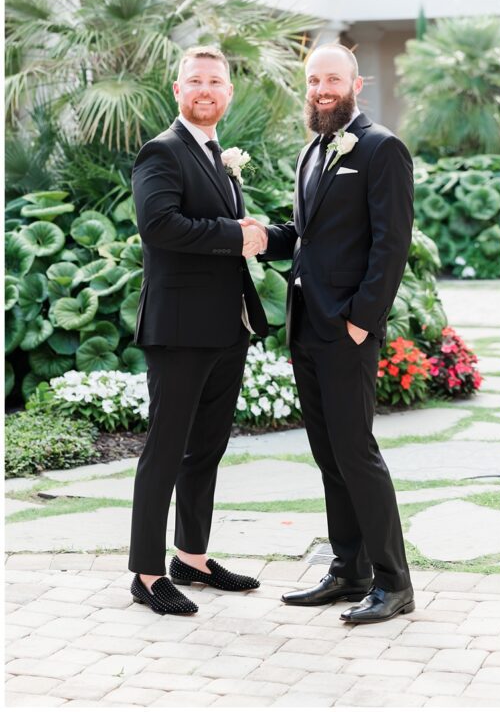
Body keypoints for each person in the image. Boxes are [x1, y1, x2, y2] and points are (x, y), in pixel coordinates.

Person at [255, 44, 415, 624]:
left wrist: (359, 321)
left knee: (356, 453)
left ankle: (395, 582)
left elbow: (391, 244)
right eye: (314, 80)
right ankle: (350, 571)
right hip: (307, 328)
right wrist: (262, 238)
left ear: (357, 84)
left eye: (333, 79)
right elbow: (306, 235)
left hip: (346, 330)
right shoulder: (313, 149)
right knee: (329, 457)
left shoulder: (381, 148)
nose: (322, 88)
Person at [128, 46, 269, 615]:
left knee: (206, 449)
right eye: (195, 81)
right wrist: (236, 234)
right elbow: (159, 225)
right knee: (164, 451)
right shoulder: (161, 152)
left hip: (224, 328)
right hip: (180, 329)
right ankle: (145, 572)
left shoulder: (215, 155)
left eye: (215, 81)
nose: (205, 90)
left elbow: (226, 230)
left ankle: (192, 557)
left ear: (228, 94)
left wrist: (262, 234)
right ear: (177, 90)